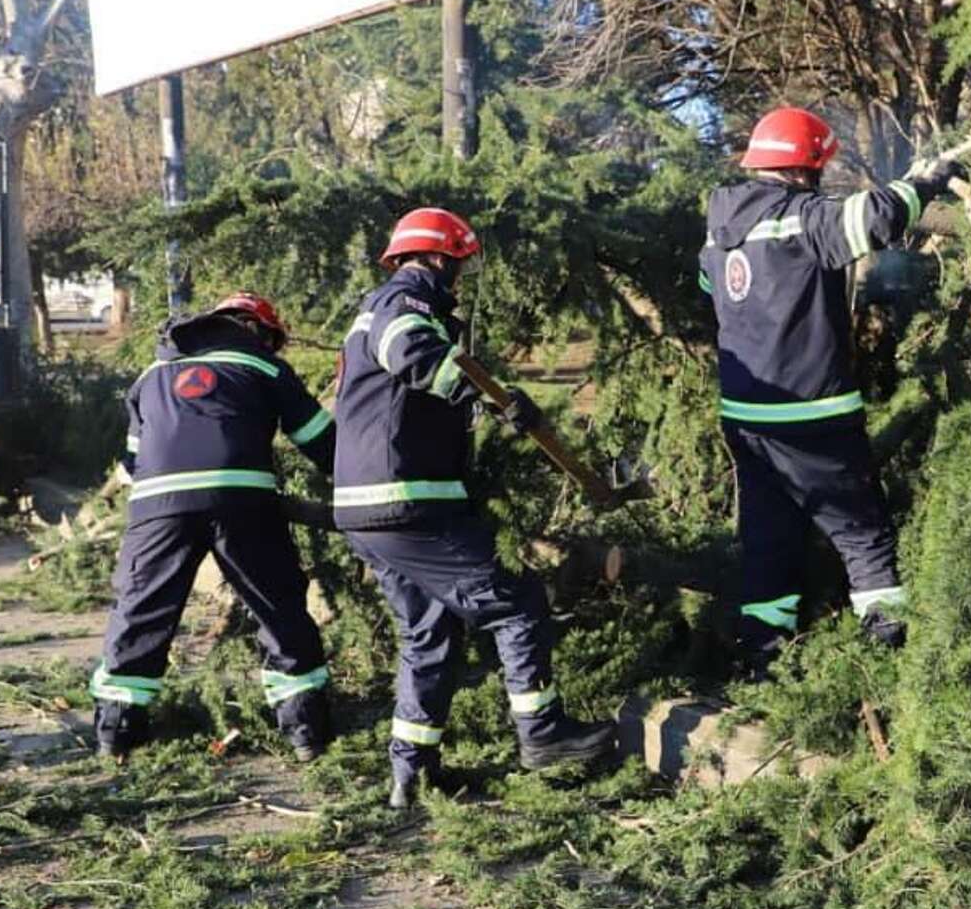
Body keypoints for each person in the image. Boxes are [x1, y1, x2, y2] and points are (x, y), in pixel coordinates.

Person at [334, 206, 616, 809]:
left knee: (428, 634)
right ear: (439, 260)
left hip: (372, 510)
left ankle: (411, 776)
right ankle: (541, 735)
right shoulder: (401, 303)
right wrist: (497, 399)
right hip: (405, 503)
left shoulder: (388, 305)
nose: (460, 280)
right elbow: (413, 356)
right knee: (517, 603)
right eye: (458, 267)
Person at [698, 107, 962, 677]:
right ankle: (890, 657)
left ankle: (760, 667)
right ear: (805, 168)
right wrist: (926, 180)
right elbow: (876, 218)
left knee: (769, 541)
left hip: (746, 419)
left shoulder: (719, 231)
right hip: (811, 414)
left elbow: (713, 291)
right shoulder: (802, 219)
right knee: (862, 533)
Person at [90, 292, 337, 762]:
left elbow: (132, 462)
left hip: (156, 507)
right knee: (278, 607)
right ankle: (306, 733)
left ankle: (115, 736)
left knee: (141, 611)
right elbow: (322, 444)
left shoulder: (150, 376)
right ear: (259, 332)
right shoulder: (264, 368)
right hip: (241, 499)